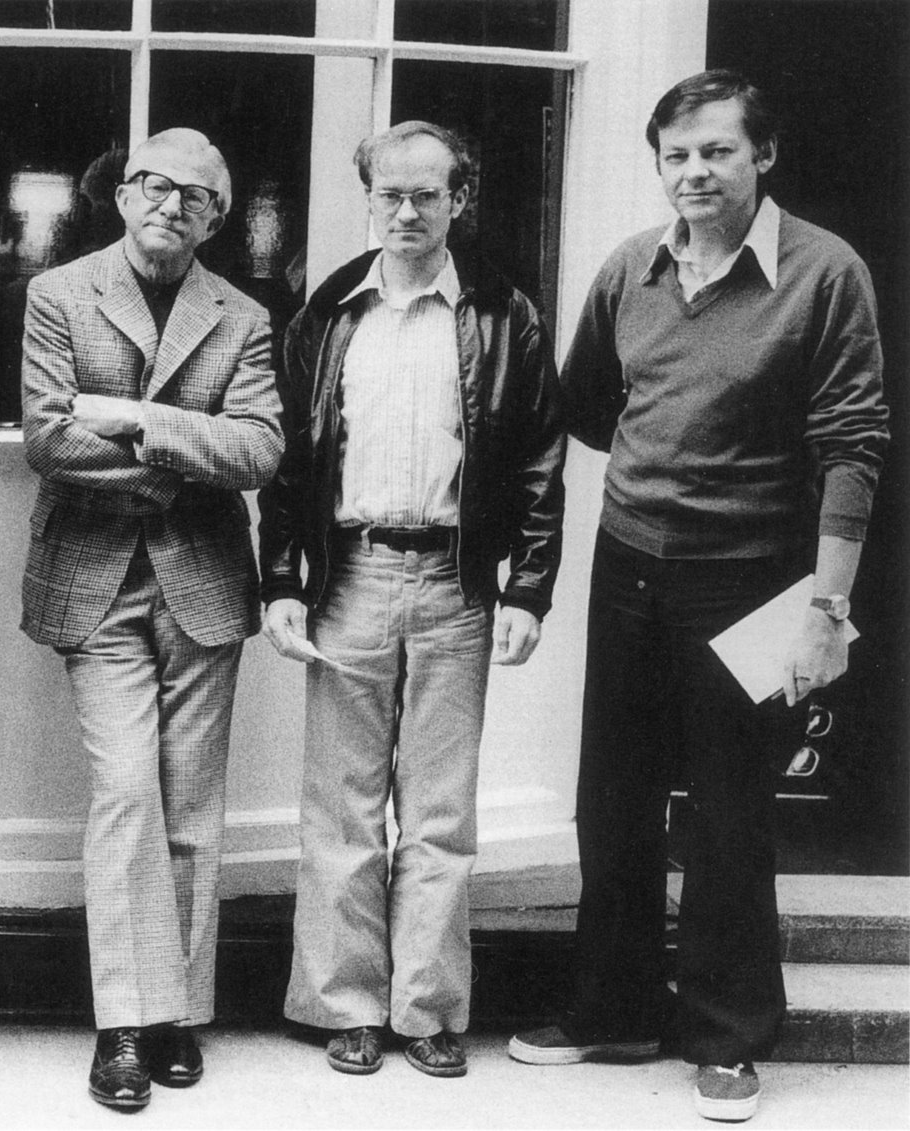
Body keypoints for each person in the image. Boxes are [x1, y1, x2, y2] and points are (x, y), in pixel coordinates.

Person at [507, 71, 888, 1124]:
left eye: (716, 151)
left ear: (763, 155)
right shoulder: (632, 266)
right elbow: (588, 404)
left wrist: (826, 609)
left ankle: (726, 1037)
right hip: (628, 563)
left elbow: (853, 447)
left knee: (729, 813)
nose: (694, 172)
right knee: (612, 797)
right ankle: (615, 1010)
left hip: (754, 579)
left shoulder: (825, 272)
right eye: (675, 155)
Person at [257, 121, 565, 1080]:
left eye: (426, 195)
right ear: (370, 199)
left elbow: (540, 459)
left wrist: (528, 588)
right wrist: (282, 579)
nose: (405, 212)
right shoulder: (328, 313)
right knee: (341, 806)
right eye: (389, 194)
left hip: (454, 582)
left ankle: (427, 1007)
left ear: (458, 201)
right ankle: (345, 1005)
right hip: (348, 576)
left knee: (438, 811)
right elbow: (289, 459)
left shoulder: (502, 313)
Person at [20, 128, 283, 1112]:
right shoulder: (60, 293)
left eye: (195, 196)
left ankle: (177, 1014)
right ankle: (124, 1024)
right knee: (128, 792)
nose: (172, 205)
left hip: (202, 583)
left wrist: (133, 420)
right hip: (93, 579)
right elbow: (48, 438)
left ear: (217, 218)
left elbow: (258, 450)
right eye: (155, 186)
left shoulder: (243, 315)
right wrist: (181, 462)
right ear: (123, 195)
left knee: (191, 805)